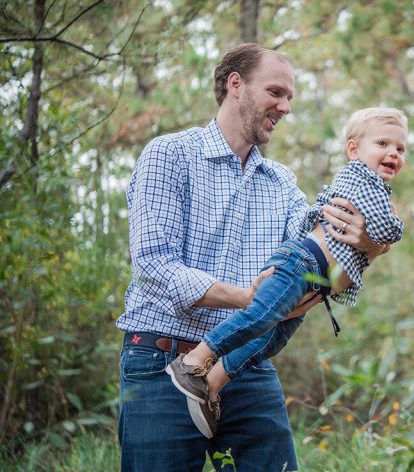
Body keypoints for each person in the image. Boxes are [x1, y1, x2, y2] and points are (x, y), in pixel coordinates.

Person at [117, 43, 386, 472]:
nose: (285, 107)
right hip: (160, 361)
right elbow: (154, 267)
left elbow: (321, 261)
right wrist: (250, 299)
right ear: (235, 85)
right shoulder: (169, 155)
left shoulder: (282, 183)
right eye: (276, 93)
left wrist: (369, 240)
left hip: (246, 368)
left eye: (290, 98)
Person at [165, 107, 407, 438]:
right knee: (262, 316)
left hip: (315, 281)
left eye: (401, 148)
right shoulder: (362, 179)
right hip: (302, 264)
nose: (393, 153)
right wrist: (396, 226)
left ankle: (212, 384)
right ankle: (194, 360)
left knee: (272, 338)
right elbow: (384, 229)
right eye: (383, 143)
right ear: (354, 149)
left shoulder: (375, 188)